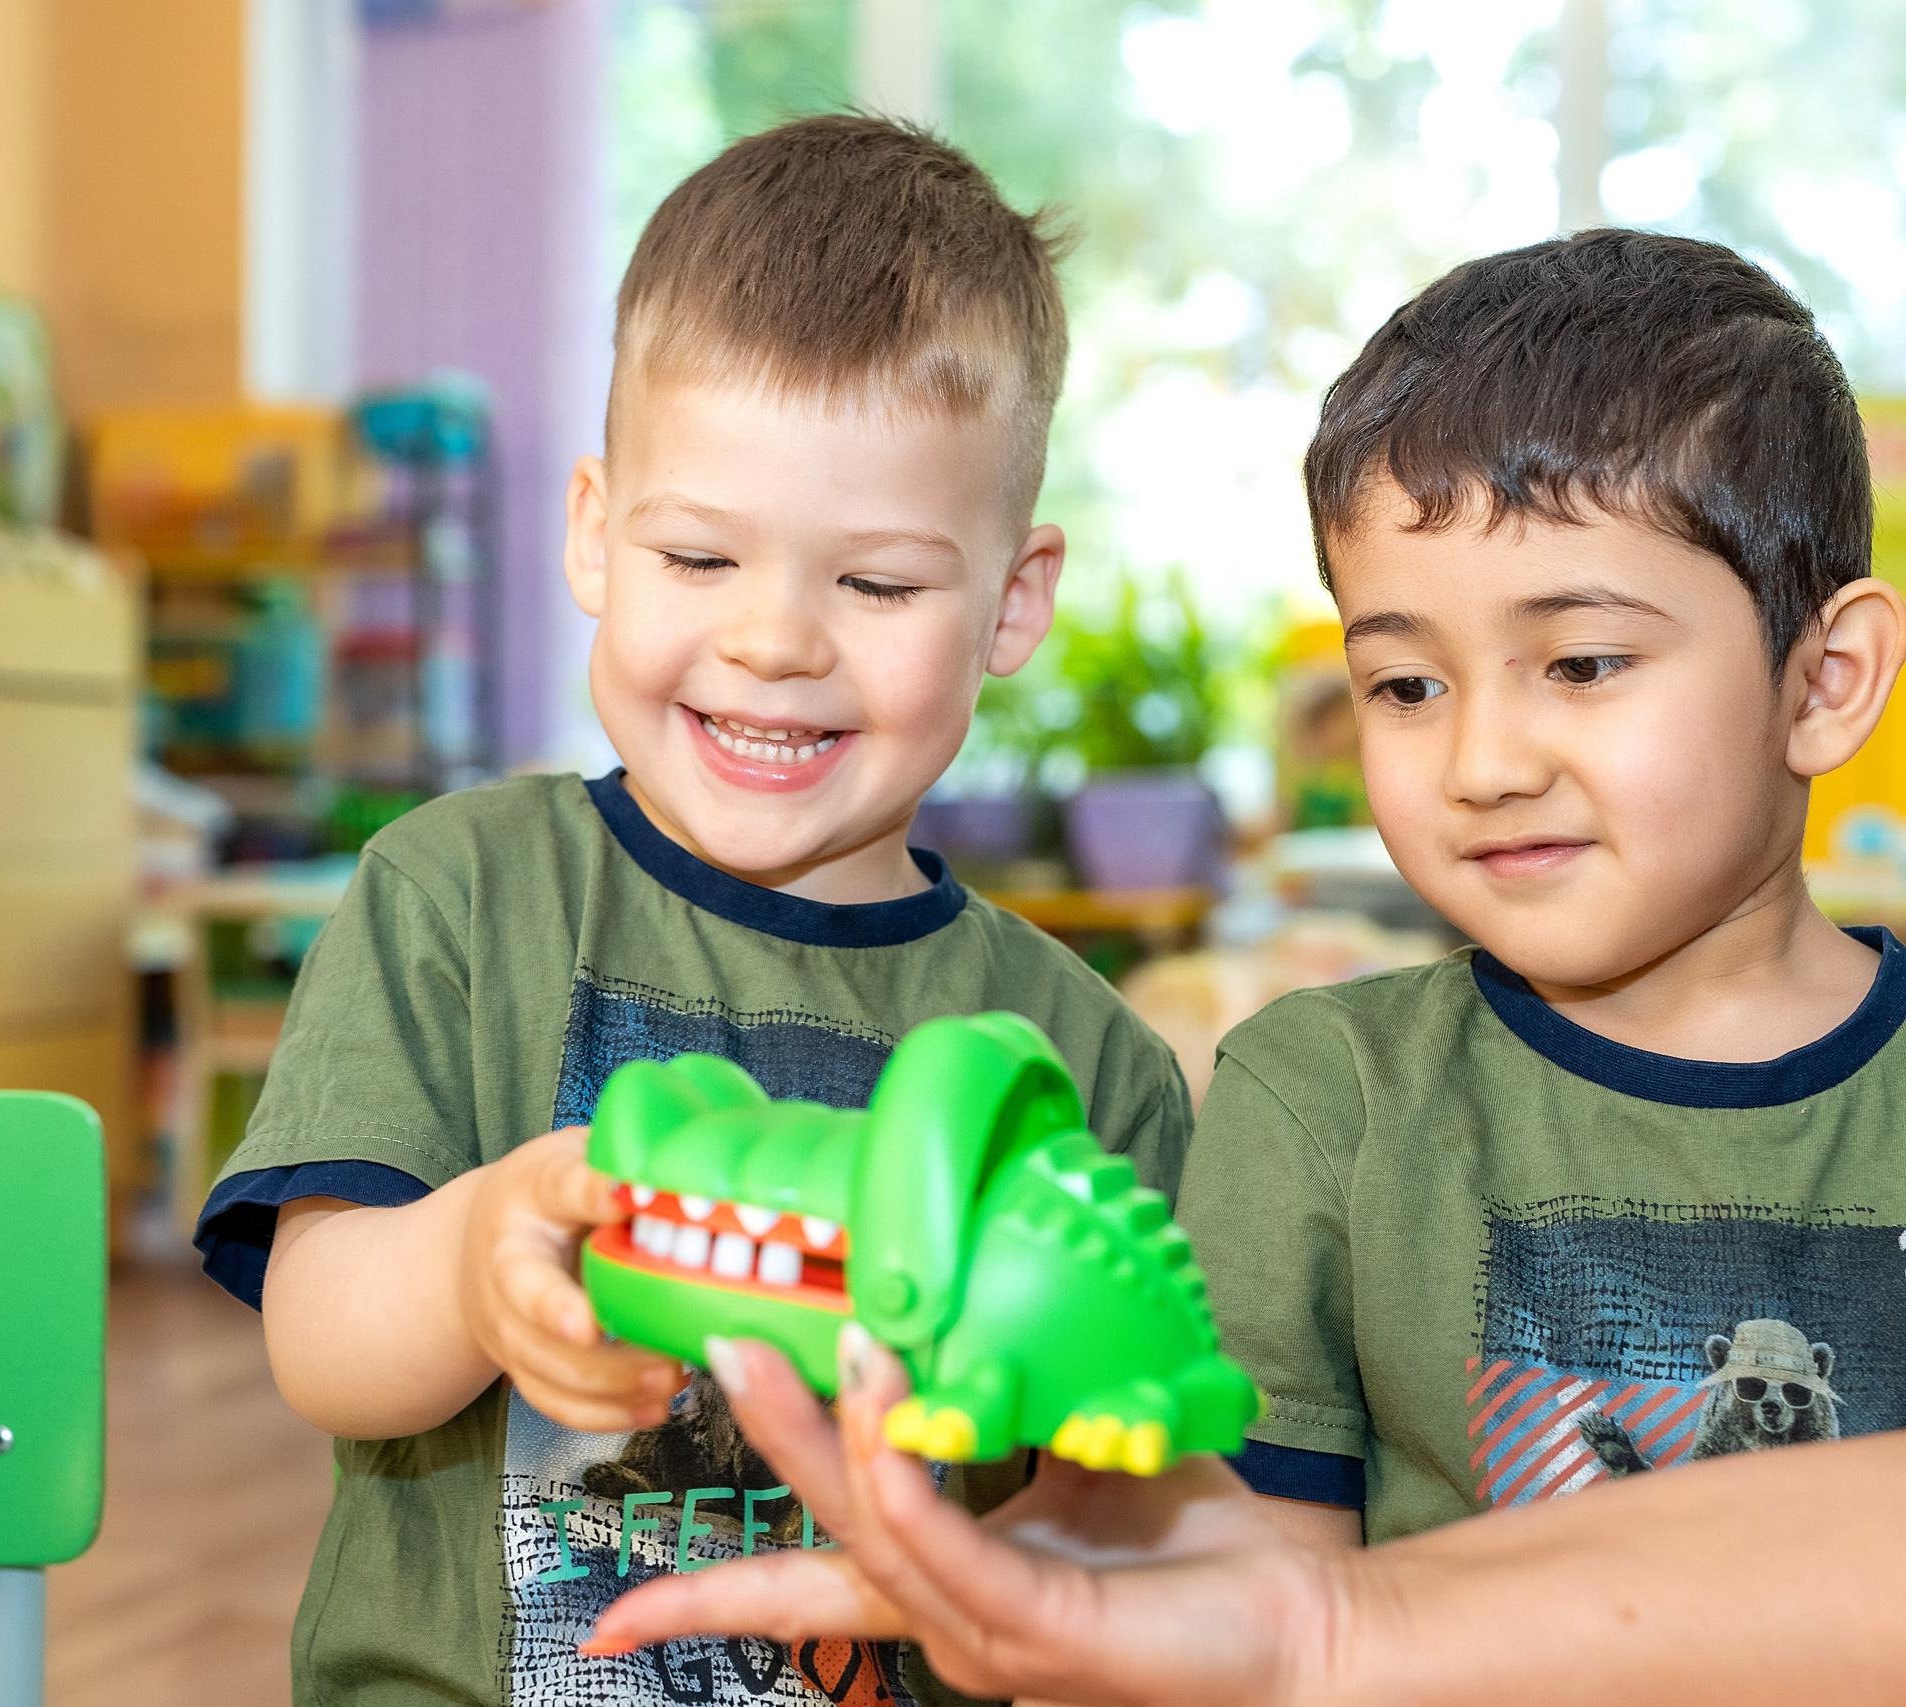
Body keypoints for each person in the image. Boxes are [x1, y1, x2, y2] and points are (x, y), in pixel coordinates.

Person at [587, 228, 1906, 1700]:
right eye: (1405, 684)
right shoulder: (1318, 1096)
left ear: (1826, 679)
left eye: (1584, 664)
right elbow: (1244, 1601)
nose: (1480, 762)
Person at [193, 115, 1194, 1707]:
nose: (776, 640)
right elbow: (319, 1339)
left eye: (873, 585)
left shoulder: (1088, 1064)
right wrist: (472, 1264)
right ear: (597, 532)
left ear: (1013, 601)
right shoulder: (460, 895)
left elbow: (1136, 1511)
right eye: (700, 556)